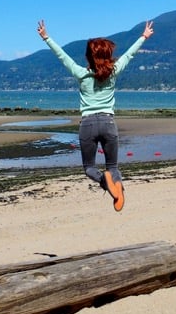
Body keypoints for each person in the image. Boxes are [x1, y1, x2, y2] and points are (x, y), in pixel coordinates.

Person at [37, 19, 154, 212]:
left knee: (90, 168)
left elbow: (62, 56)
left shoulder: (81, 74)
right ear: (108, 55)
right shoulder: (113, 72)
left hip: (88, 125)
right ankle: (118, 188)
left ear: (88, 57)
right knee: (113, 167)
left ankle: (105, 182)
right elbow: (129, 54)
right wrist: (144, 36)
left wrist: (46, 37)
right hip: (108, 123)